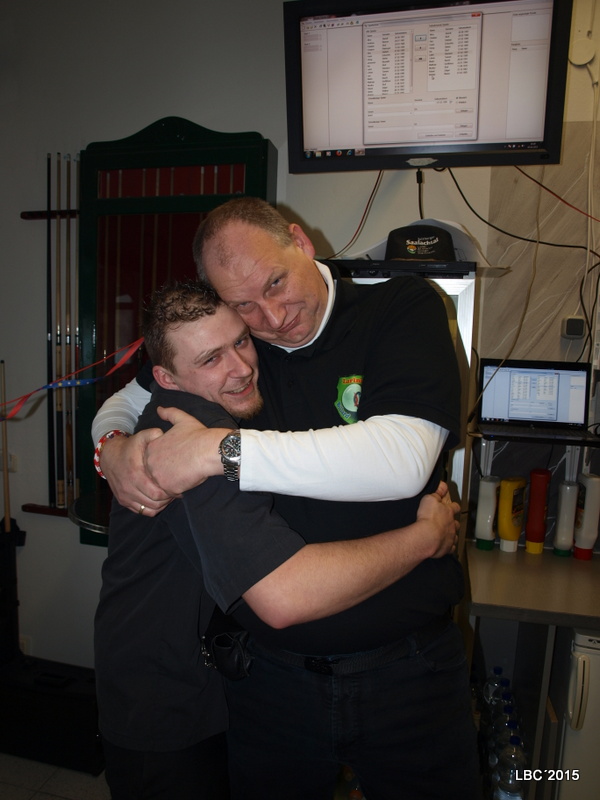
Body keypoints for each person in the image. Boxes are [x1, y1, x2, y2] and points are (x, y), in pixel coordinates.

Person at [93, 198, 480, 799]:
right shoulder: (237, 350)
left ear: (300, 242)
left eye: (276, 283)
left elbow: (403, 460)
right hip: (269, 682)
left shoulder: (398, 307)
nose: (271, 318)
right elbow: (133, 395)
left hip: (410, 673)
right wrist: (111, 450)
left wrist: (220, 451)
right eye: (245, 306)